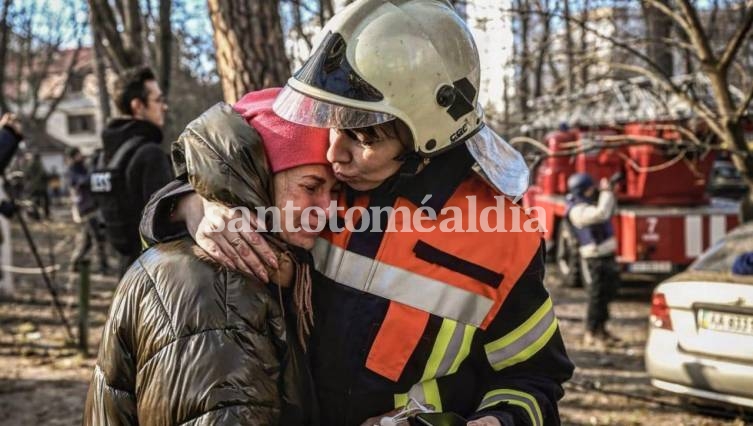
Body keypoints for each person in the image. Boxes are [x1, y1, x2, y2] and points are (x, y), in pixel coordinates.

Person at [141, 1, 574, 425]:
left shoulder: (501, 237)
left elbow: (534, 377)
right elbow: (220, 155)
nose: (334, 153)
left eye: (363, 138)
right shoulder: (324, 186)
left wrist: (493, 421)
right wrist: (199, 203)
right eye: (334, 123)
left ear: (426, 140)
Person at [84, 88, 335, 425]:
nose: (327, 209)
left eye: (335, 192)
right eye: (310, 186)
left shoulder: (266, 261)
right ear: (259, 177)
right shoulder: (223, 285)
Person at [91, 66, 172, 276]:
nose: (164, 107)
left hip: (125, 276)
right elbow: (166, 230)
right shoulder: (149, 155)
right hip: (158, 277)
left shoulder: (102, 158)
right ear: (138, 106)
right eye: (158, 100)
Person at [564, 173, 621, 347]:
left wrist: (610, 193)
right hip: (595, 258)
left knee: (606, 295)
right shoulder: (577, 210)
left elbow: (610, 211)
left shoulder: (585, 204)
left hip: (605, 255)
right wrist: (606, 192)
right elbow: (602, 214)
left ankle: (602, 330)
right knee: (596, 297)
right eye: (590, 189)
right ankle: (591, 332)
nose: (592, 191)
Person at [66, 147, 108, 275]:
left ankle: (75, 263)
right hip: (85, 210)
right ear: (73, 157)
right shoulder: (72, 170)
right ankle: (103, 266)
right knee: (98, 237)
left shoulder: (83, 168)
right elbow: (83, 181)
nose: (82, 156)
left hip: (91, 207)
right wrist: (94, 169)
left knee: (87, 242)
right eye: (79, 155)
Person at [24, 152, 50, 220]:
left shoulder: (30, 165)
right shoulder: (40, 164)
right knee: (44, 201)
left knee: (35, 201)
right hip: (41, 187)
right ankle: (46, 215)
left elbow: (27, 175)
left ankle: (36, 216)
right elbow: (45, 174)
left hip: (34, 187)